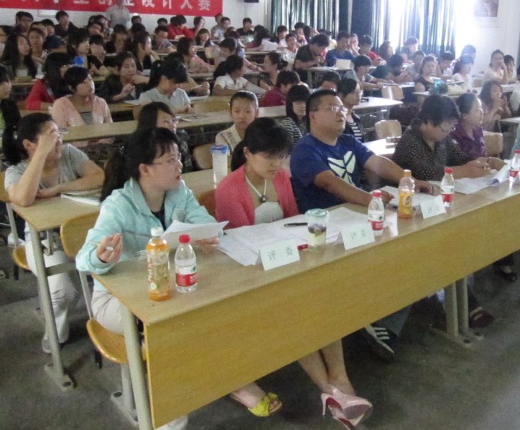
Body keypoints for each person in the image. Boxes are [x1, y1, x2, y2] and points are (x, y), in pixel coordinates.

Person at [75, 127, 281, 428]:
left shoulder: (179, 192)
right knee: (175, 328)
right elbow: (83, 259)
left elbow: (206, 222)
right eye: (170, 160)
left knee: (218, 307)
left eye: (178, 157)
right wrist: (101, 257)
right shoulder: (118, 205)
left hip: (172, 287)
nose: (180, 165)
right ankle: (178, 411)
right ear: (145, 169)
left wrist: (206, 234)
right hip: (119, 301)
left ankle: (228, 378)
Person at [215, 118, 373, 428]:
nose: (276, 164)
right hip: (251, 273)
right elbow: (241, 244)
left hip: (285, 261)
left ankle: (338, 381)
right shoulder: (229, 188)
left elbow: (293, 221)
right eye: (268, 157)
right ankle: (331, 389)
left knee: (320, 299)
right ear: (247, 153)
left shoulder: (281, 178)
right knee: (297, 310)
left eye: (281, 156)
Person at [362, 95, 496, 361]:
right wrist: (462, 171)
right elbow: (425, 174)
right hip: (404, 212)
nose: (448, 132)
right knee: (429, 251)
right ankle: (392, 321)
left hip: (432, 209)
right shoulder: (410, 141)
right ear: (428, 122)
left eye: (451, 127)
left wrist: (479, 164)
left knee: (449, 243)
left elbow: (461, 159)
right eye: (445, 127)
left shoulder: (442, 139)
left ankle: (459, 302)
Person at [5, 113, 104, 353]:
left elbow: (99, 176)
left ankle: (110, 325)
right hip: (43, 240)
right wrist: (41, 153)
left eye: (59, 133)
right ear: (29, 144)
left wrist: (58, 188)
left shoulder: (69, 154)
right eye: (52, 135)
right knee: (62, 291)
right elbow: (22, 199)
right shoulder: (16, 171)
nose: (59, 140)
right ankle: (55, 333)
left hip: (81, 233)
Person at [290, 89, 433, 212]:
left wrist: (411, 182)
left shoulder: (348, 141)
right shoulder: (305, 149)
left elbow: (377, 162)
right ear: (313, 116)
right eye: (333, 108)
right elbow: (329, 182)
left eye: (342, 108)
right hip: (326, 218)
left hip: (357, 209)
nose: (341, 113)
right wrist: (369, 199)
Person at [452, 93, 515, 280]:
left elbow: (484, 157)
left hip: (481, 181)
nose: (482, 113)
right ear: (464, 115)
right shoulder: (453, 134)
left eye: (482, 108)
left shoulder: (478, 130)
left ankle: (502, 259)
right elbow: (457, 164)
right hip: (462, 186)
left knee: (504, 208)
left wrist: (493, 163)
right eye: (477, 110)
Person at [51, 66, 113, 147]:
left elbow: (110, 130)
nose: (89, 84)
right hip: (73, 151)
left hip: (101, 149)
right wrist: (86, 144)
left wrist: (100, 143)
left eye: (90, 79)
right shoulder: (61, 105)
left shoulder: (100, 102)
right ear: (71, 88)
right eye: (83, 82)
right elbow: (60, 134)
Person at [137, 102, 193, 173]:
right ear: (150, 124)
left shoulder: (179, 140)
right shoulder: (141, 148)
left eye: (173, 121)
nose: (173, 126)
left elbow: (187, 170)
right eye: (166, 122)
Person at [0, 65, 21, 153]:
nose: (7, 86)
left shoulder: (10, 105)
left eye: (8, 81)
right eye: (1, 84)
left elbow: (19, 127)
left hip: (8, 151)